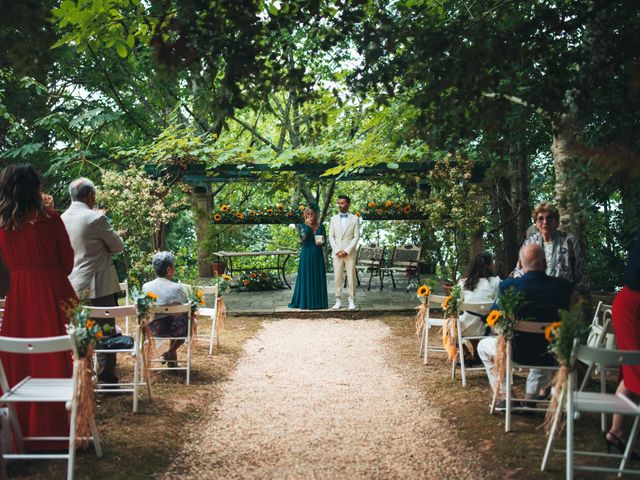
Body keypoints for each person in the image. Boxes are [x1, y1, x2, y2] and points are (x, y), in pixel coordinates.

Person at [0, 164, 76, 451]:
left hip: (18, 298)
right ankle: (59, 428)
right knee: (58, 356)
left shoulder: (2, 227)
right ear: (36, 187)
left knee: (22, 360)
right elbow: (67, 262)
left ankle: (20, 431)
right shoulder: (51, 219)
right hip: (55, 293)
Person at [478, 244, 573, 406]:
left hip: (515, 353)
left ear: (521, 264)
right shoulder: (564, 287)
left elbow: (494, 317)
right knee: (544, 342)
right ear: (545, 263)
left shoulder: (508, 286)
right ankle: (531, 397)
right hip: (552, 355)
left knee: (482, 346)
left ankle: (508, 396)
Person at [62, 177, 125, 385]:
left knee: (80, 331)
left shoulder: (62, 218)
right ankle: (106, 377)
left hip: (73, 284)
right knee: (105, 330)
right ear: (90, 196)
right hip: (98, 285)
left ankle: (83, 375)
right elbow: (118, 247)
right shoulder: (96, 218)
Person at [607, 237, 640, 455]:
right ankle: (616, 431)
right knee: (634, 367)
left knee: (633, 367)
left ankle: (616, 431)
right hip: (632, 305)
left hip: (631, 303)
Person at [512, 202, 588, 292]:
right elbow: (519, 270)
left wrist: (577, 297)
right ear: (536, 223)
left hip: (563, 297)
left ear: (556, 221)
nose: (545, 222)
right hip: (535, 295)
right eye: (540, 219)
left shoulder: (569, 241)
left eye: (549, 218)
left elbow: (580, 272)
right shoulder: (529, 242)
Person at [142, 251, 189, 366]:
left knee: (174, 319)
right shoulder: (177, 288)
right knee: (183, 321)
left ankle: (172, 362)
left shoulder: (146, 287)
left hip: (153, 329)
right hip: (175, 330)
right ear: (169, 269)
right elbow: (187, 308)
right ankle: (169, 353)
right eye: (174, 267)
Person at [457, 252, 500, 363]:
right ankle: (476, 353)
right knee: (478, 320)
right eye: (492, 262)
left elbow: (457, 304)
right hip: (491, 328)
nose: (494, 265)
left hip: (467, 328)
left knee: (450, 327)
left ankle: (466, 353)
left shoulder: (463, 284)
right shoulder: (497, 282)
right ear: (489, 265)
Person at [288, 206, 328, 310]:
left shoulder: (321, 226)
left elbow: (325, 241)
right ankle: (305, 302)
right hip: (306, 254)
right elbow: (303, 238)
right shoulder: (302, 226)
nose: (310, 216)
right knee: (306, 276)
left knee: (317, 276)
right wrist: (308, 227)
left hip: (317, 254)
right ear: (305, 215)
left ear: (316, 215)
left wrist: (322, 242)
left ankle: (319, 303)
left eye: (312, 214)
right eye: (308, 214)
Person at [329, 195, 360, 310]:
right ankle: (338, 300)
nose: (340, 205)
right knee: (337, 278)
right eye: (339, 203)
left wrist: (347, 251)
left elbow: (356, 237)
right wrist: (337, 250)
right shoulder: (333, 219)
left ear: (348, 204)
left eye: (342, 203)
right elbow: (331, 237)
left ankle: (352, 301)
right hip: (336, 254)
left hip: (349, 253)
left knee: (351, 278)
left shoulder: (355, 219)